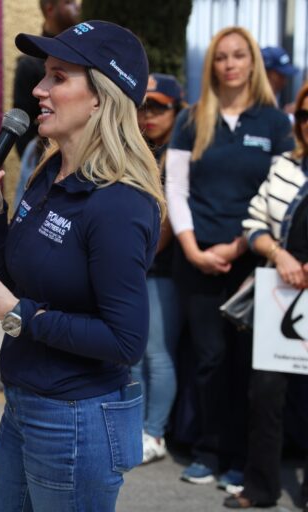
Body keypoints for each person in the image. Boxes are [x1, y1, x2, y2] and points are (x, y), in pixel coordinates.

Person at [0, 21, 163, 510]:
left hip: (77, 419)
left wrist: (18, 316)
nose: (38, 89)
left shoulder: (119, 203)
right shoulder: (51, 169)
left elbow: (125, 341)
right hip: (25, 404)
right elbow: (21, 280)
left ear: (101, 98)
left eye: (58, 76)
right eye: (44, 75)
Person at [165, 26, 294, 487]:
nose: (230, 64)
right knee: (208, 358)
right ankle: (207, 450)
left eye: (239, 55)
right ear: (212, 65)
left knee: (246, 363)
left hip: (252, 260)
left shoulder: (276, 123)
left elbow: (280, 194)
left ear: (252, 62)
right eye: (221, 57)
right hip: (196, 257)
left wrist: (238, 245)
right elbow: (175, 190)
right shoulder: (191, 118)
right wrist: (192, 249)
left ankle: (243, 459)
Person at [222, 82, 308, 511]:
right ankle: (261, 487)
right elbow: (254, 223)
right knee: (266, 394)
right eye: (306, 116)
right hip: (282, 293)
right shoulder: (284, 169)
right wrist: (278, 253)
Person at [132, 73, 186, 464]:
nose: (148, 114)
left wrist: (134, 263)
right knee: (134, 354)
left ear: (177, 110)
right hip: (135, 267)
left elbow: (167, 222)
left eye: (159, 106)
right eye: (143, 105)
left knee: (157, 353)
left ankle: (155, 432)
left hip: (160, 268)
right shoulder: (139, 150)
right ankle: (137, 429)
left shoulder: (177, 153)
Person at [12, 0, 80, 158]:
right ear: (50, 9)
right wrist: (40, 160)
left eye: (58, 77)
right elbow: (23, 126)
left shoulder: (84, 57)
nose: (77, 6)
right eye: (69, 2)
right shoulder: (29, 64)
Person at [261, 46, 300, 114]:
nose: (284, 81)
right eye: (280, 75)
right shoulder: (255, 100)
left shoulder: (272, 99)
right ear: (267, 73)